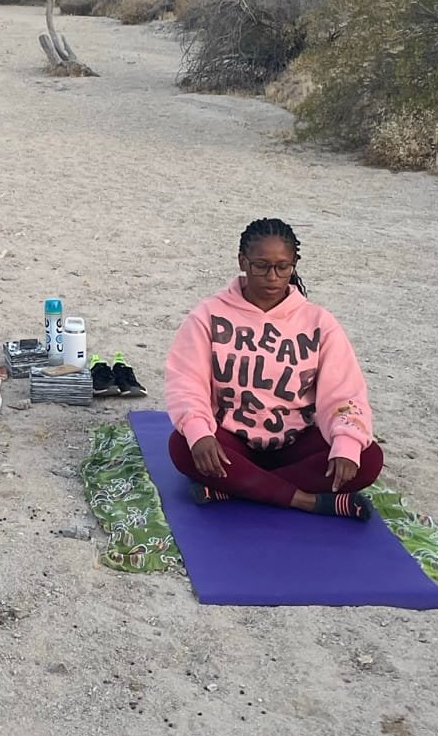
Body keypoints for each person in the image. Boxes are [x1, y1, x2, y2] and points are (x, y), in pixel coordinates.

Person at [164, 217, 384, 519]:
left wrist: (346, 443)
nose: (272, 277)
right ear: (243, 262)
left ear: (295, 264)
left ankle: (236, 487)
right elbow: (186, 383)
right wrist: (200, 433)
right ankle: (305, 500)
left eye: (283, 267)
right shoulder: (208, 315)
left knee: (367, 457)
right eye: (261, 266)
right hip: (231, 443)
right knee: (183, 445)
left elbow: (345, 394)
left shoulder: (319, 322)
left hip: (296, 443)